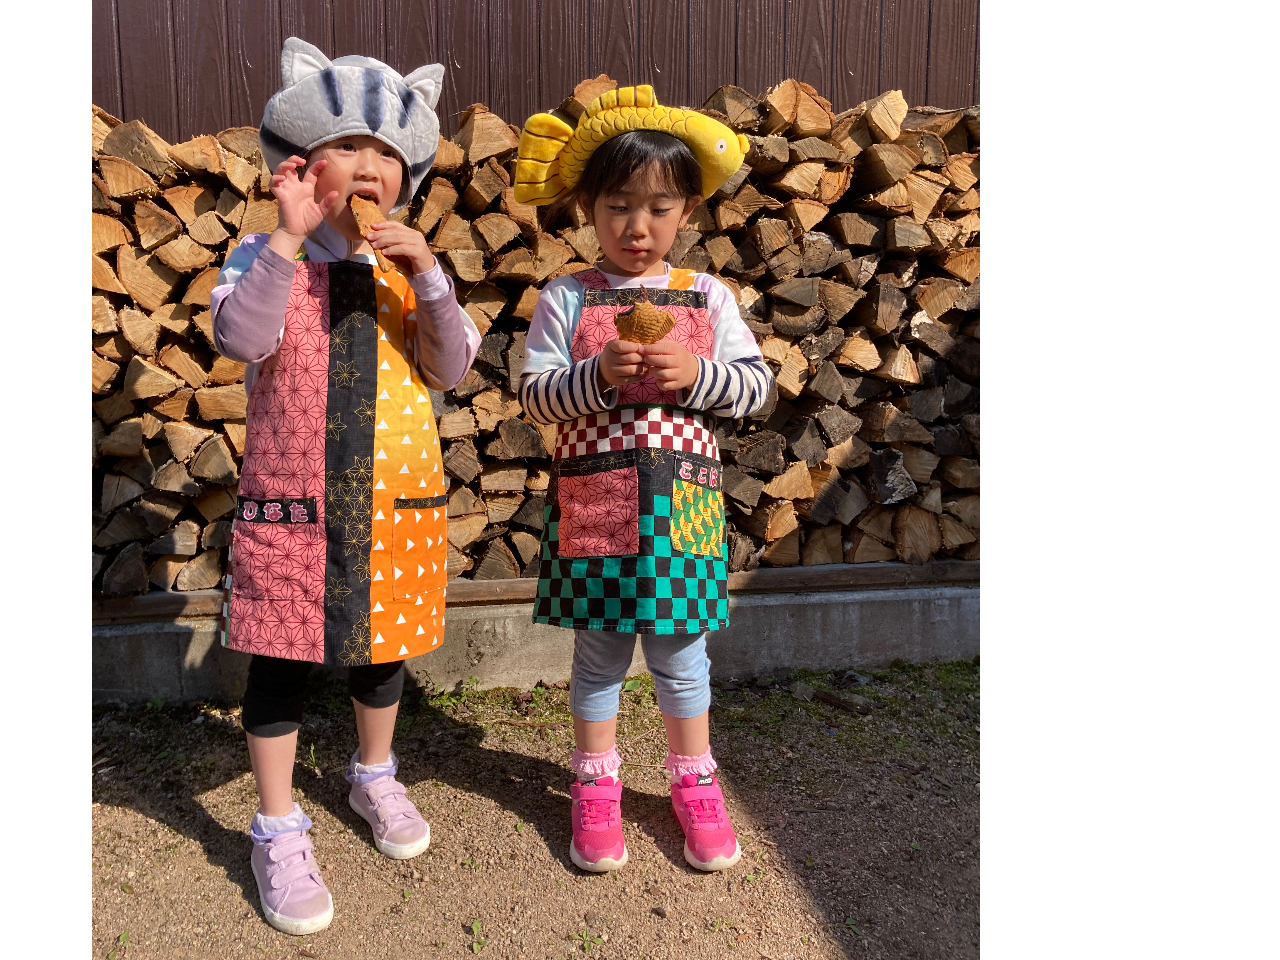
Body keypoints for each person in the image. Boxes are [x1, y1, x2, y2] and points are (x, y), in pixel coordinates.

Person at [210, 38, 480, 935]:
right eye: (349, 148)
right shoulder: (261, 252)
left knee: (380, 653)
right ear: (301, 163)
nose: (370, 169)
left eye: (389, 156)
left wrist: (432, 277)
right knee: (281, 664)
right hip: (298, 504)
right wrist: (286, 237)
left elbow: (452, 369)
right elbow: (244, 340)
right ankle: (277, 826)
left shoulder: (412, 269)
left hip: (393, 508)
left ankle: (374, 775)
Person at [512, 86, 771, 873]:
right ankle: (596, 786)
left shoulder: (706, 297)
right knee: (598, 655)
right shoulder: (568, 296)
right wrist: (594, 375)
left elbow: (756, 389)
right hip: (596, 504)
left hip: (683, 506)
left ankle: (695, 782)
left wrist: (696, 373)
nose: (637, 225)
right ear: (588, 206)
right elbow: (533, 394)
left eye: (659, 207)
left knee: (681, 654)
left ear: (687, 212)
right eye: (619, 205)